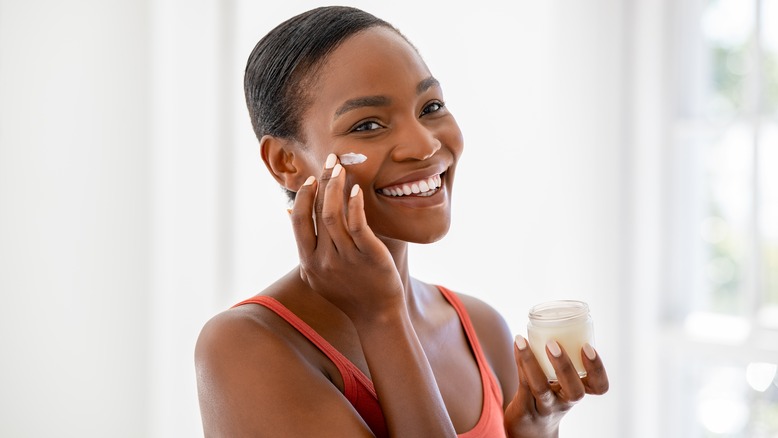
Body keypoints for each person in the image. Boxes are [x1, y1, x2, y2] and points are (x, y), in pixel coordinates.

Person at [195, 6, 609, 437]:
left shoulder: (480, 328)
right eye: (369, 124)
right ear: (286, 161)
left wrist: (533, 424)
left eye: (430, 106)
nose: (425, 145)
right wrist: (381, 318)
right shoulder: (245, 346)